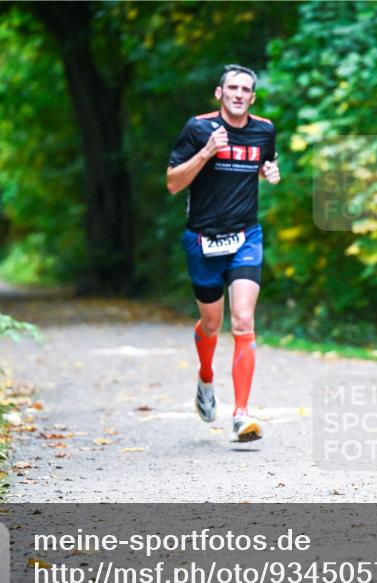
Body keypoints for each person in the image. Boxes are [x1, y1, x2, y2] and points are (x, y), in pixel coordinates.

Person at [166, 64, 279, 443]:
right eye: (232, 87)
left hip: (246, 236)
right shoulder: (198, 129)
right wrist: (206, 153)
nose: (238, 94)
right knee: (211, 325)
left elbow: (262, 164)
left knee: (243, 321)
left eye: (245, 89)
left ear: (252, 97)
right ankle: (206, 377)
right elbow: (172, 183)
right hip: (203, 239)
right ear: (219, 93)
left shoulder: (264, 130)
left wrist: (269, 172)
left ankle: (242, 414)